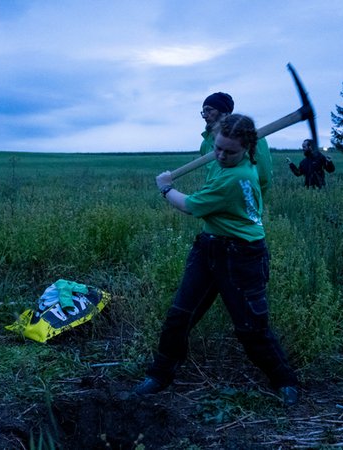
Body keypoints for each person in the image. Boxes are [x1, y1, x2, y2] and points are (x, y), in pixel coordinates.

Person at [135, 114, 299, 406]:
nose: (221, 155)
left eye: (230, 151)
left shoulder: (238, 177)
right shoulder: (225, 161)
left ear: (248, 149)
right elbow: (215, 158)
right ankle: (159, 374)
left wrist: (165, 187)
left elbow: (189, 206)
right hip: (208, 247)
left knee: (250, 328)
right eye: (218, 148)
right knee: (179, 315)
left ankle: (285, 379)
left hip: (243, 255)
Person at [198, 92, 273, 197]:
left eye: (208, 110)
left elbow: (264, 176)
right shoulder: (206, 143)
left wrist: (251, 201)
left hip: (240, 202)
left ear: (224, 112)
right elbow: (210, 177)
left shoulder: (250, 136)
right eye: (203, 111)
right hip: (214, 201)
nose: (204, 116)